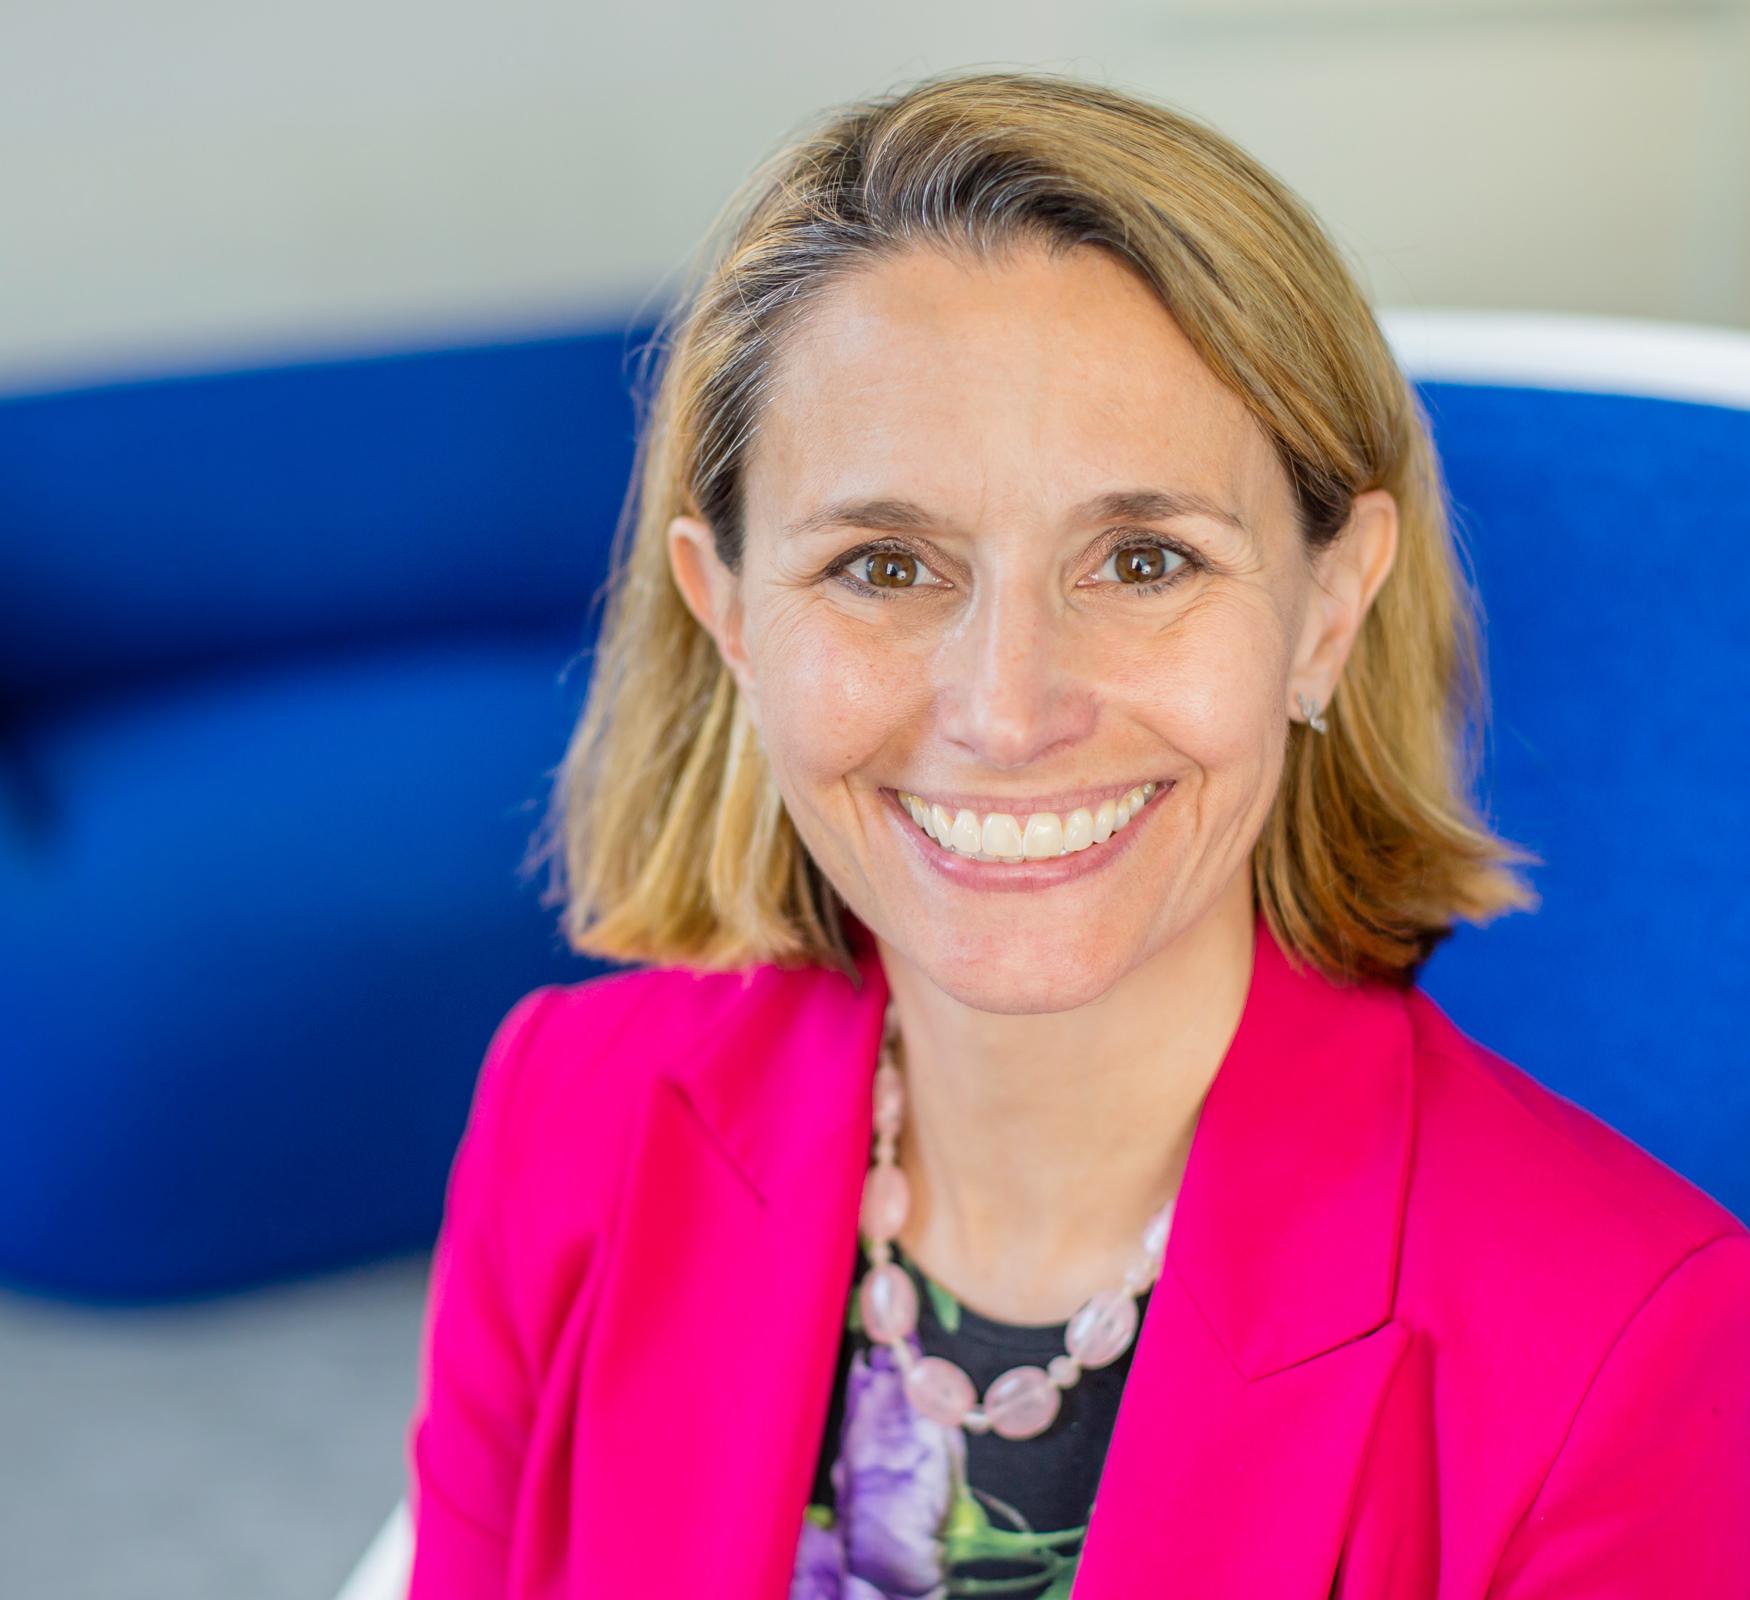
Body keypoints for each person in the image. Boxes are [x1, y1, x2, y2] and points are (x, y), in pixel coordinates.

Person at [403, 69, 1750, 1598]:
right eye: (885, 566)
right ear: (729, 618)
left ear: (1323, 608)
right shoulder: (566, 1112)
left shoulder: (1631, 1348)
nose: (1005, 706)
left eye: (1140, 557)